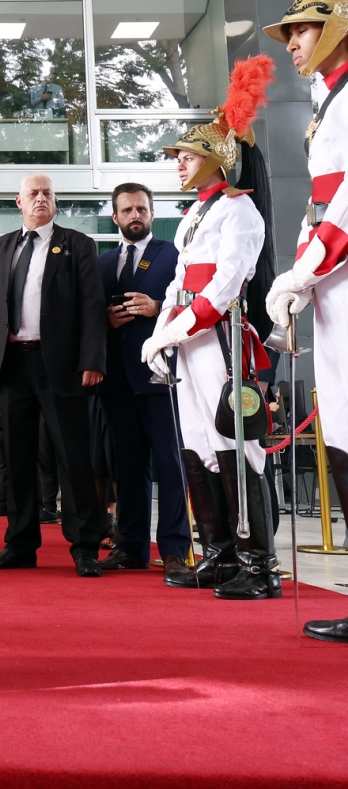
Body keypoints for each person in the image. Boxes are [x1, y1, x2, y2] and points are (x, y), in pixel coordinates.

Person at [140, 56, 279, 600]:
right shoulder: (194, 215)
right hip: (190, 341)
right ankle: (219, 554)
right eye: (176, 155)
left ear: (216, 158)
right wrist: (161, 332)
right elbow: (179, 284)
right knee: (198, 443)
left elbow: (225, 287)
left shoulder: (239, 210)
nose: (177, 162)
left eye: (186, 154)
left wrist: (177, 331)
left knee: (237, 444)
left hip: (220, 339)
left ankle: (258, 563)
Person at [262, 0, 348, 638]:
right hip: (330, 285)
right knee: (342, 433)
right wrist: (302, 270)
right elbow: (320, 204)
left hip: (340, 276)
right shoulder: (329, 103)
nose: (291, 44)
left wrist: (304, 270)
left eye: (302, 30)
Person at [0, 174, 106, 577]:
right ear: (19, 201)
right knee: (17, 457)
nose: (41, 199)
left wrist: (93, 360)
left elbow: (92, 308)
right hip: (12, 364)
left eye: (48, 193)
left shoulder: (78, 245)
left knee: (72, 455)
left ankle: (84, 547)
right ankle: (21, 543)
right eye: (34, 194)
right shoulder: (1, 246)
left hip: (61, 365)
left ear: (55, 201)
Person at [96, 182, 192, 583]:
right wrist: (104, 318)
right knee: (129, 466)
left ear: (152, 214)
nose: (136, 215)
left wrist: (158, 309)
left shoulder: (173, 255)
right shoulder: (101, 264)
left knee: (170, 464)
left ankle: (173, 549)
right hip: (116, 379)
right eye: (127, 210)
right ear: (115, 217)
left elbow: (189, 302)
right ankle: (131, 546)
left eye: (142, 209)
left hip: (162, 375)